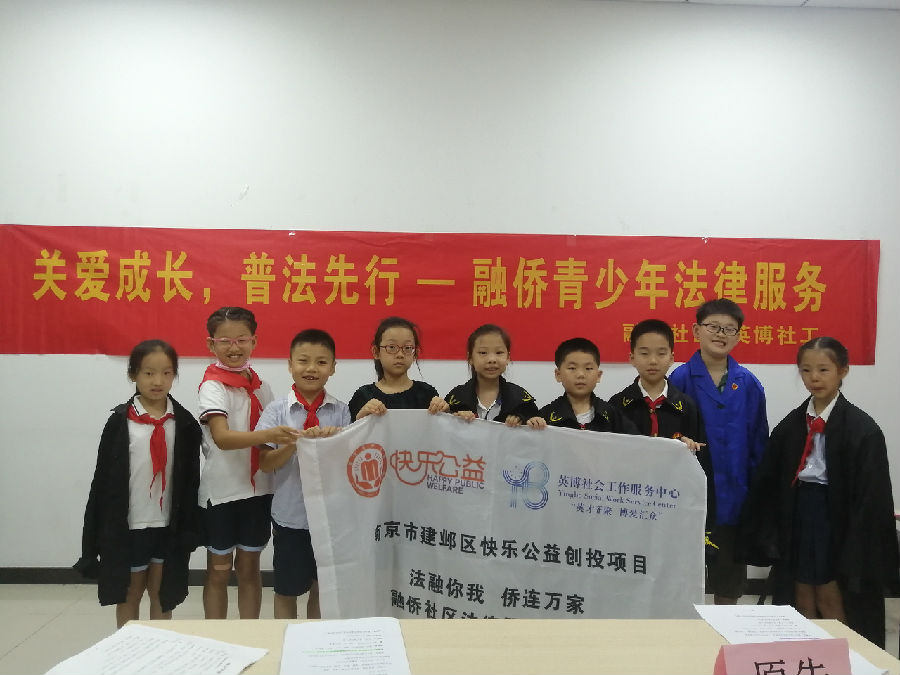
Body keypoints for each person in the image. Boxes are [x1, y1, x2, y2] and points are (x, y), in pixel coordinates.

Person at [739, 337, 899, 648]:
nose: (814, 377)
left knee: (831, 591)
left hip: (837, 519)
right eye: (806, 370)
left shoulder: (863, 429)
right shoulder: (791, 424)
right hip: (800, 512)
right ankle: (807, 655)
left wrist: (857, 544)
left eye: (824, 369)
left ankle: (847, 655)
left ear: (843, 371)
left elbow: (872, 497)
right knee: (800, 590)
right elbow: (770, 479)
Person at [75, 340, 201, 627]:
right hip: (129, 526)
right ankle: (128, 649)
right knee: (129, 593)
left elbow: (191, 481)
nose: (158, 381)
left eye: (166, 373)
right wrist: (93, 538)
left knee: (162, 594)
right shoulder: (120, 422)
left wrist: (191, 527)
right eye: (148, 373)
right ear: (133, 374)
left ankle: (159, 649)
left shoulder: (184, 423)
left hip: (167, 526)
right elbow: (101, 483)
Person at [198, 306, 300, 619]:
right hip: (223, 492)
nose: (234, 347)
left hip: (259, 491)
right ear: (211, 344)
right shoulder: (212, 386)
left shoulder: (261, 387)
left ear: (254, 341)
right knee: (218, 570)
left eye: (242, 339)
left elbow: (272, 440)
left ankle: (249, 635)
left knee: (249, 568)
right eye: (225, 341)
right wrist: (269, 434)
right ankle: (216, 637)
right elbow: (222, 438)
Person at [668, 298, 767, 605]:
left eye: (729, 329)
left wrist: (757, 496)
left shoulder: (748, 384)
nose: (721, 334)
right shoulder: (679, 379)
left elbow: (758, 444)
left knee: (729, 579)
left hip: (734, 499)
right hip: (691, 497)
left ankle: (724, 630)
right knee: (685, 577)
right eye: (713, 326)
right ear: (696, 330)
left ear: (738, 336)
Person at [256, 329, 350, 620]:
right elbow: (265, 464)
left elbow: (347, 468)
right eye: (303, 360)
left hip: (329, 518)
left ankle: (314, 640)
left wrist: (333, 442)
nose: (311, 368)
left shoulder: (341, 412)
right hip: (291, 517)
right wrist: (294, 443)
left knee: (322, 589)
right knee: (286, 590)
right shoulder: (275, 412)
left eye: (321, 362)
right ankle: (285, 639)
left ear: (333, 368)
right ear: (290, 365)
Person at [609, 318, 716, 528]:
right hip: (628, 503)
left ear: (672, 358)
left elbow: (702, 464)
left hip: (673, 503)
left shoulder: (686, 406)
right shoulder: (617, 405)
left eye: (661, 353)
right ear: (632, 358)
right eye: (644, 353)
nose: (653, 361)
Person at [444, 324, 545, 428]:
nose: (492, 359)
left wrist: (531, 422)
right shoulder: (456, 398)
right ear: (470, 358)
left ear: (508, 357)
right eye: (483, 352)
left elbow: (536, 431)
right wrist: (455, 418)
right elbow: (443, 430)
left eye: (499, 352)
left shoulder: (522, 400)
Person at [348, 316, 449, 420]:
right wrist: (360, 418)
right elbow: (351, 429)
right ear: (376, 352)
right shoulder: (363, 395)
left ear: (415, 354)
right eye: (392, 347)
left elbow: (438, 428)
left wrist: (445, 413)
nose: (400, 354)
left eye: (407, 348)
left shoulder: (427, 393)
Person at [538, 337, 637, 433]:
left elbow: (636, 442)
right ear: (558, 375)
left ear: (598, 375)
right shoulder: (545, 417)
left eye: (588, 368)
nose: (581, 374)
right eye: (572, 368)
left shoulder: (613, 416)